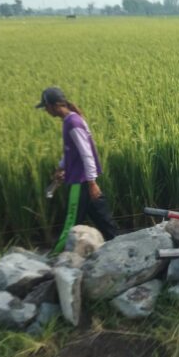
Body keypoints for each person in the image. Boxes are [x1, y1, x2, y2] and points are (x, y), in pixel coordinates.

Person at [36, 87, 117, 254]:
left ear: (55, 105)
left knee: (70, 222)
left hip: (80, 182)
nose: (46, 110)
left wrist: (92, 182)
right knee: (104, 221)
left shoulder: (73, 123)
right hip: (84, 180)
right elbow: (71, 151)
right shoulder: (72, 120)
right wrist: (61, 166)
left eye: (46, 107)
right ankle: (119, 247)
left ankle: (56, 256)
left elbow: (87, 154)